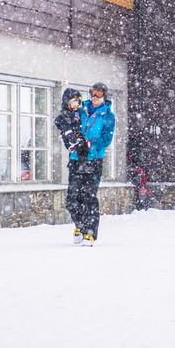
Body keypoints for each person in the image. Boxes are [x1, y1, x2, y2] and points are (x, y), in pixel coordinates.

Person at [56, 82, 116, 246]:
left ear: (104, 96)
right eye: (93, 93)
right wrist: (72, 142)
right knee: (72, 198)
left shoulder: (108, 116)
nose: (95, 97)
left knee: (89, 196)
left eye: (98, 94)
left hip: (93, 160)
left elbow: (106, 139)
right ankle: (80, 225)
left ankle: (89, 233)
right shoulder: (81, 109)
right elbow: (66, 124)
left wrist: (89, 145)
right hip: (76, 159)